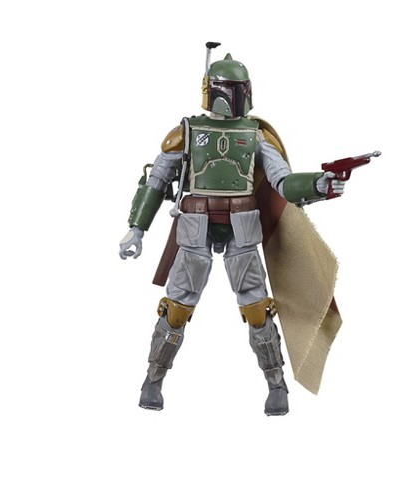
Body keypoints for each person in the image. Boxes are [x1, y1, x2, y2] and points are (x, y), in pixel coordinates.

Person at [119, 44, 346, 416]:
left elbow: (283, 182)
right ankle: (153, 380)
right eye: (233, 89)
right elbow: (155, 181)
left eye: (241, 89)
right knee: (177, 306)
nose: (237, 96)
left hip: (243, 225)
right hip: (195, 225)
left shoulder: (256, 134)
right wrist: (137, 228)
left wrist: (319, 185)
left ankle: (276, 384)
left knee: (256, 307)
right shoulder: (187, 132)